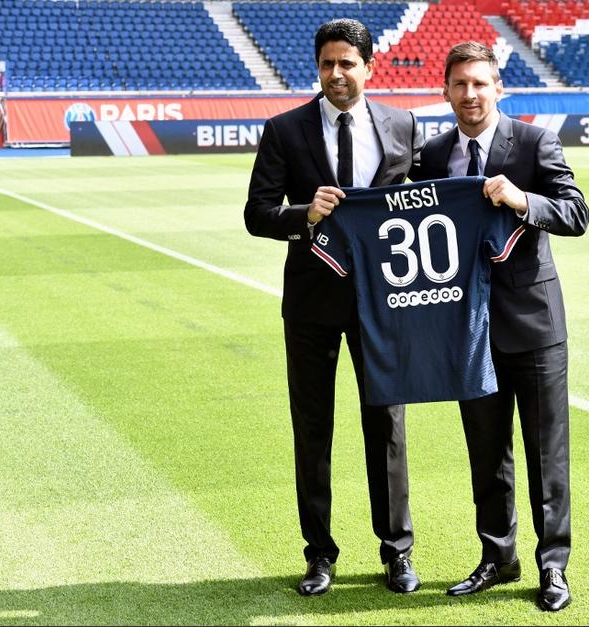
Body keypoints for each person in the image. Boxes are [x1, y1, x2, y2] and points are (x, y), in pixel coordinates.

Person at [243, 18, 424, 596]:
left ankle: (397, 551)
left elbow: (423, 207)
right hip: (312, 305)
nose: (338, 74)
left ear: (369, 66)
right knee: (313, 428)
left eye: (348, 63)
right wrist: (305, 213)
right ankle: (319, 553)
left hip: (384, 304)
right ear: (317, 68)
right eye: (328, 64)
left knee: (387, 426)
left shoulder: (403, 125)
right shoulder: (285, 130)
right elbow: (256, 213)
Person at [411, 41, 589, 612]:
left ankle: (553, 566)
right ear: (445, 90)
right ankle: (497, 556)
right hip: (469, 329)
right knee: (486, 453)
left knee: (546, 455)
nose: (470, 95)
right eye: (460, 84)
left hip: (534, 327)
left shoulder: (535, 142)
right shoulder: (434, 154)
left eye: (480, 84)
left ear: (498, 88)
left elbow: (576, 213)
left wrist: (522, 200)